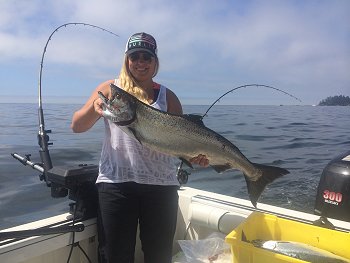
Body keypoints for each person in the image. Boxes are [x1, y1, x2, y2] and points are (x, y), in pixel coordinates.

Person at [71, 32, 208, 263]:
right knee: (116, 256)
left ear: (155, 62)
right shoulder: (110, 89)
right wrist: (93, 110)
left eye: (147, 57)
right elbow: (77, 126)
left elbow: (182, 142)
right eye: (135, 57)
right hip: (115, 185)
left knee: (158, 255)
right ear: (127, 60)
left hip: (160, 187)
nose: (141, 62)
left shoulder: (168, 97)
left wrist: (195, 157)